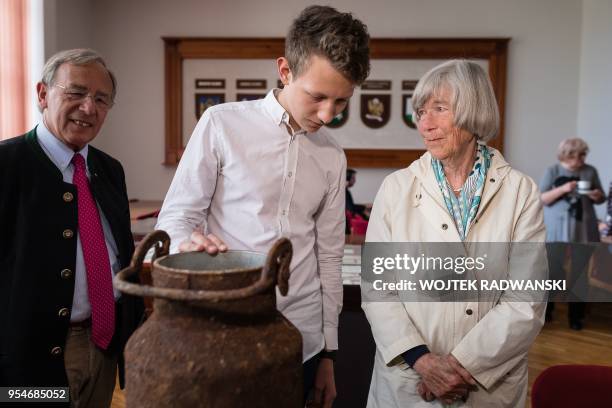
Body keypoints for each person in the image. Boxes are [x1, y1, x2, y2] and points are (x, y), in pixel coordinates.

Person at [155, 6, 370, 407]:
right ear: (285, 71)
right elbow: (177, 217)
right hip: (227, 331)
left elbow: (329, 256)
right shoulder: (221, 124)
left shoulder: (332, 155)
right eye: (318, 97)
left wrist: (329, 353)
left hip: (300, 343)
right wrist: (189, 242)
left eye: (341, 102)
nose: (328, 115)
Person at [362, 60, 546, 407]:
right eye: (420, 112)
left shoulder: (520, 191)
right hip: (410, 381)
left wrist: (459, 367)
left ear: (473, 110)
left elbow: (527, 299)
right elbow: (378, 288)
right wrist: (423, 361)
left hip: (486, 384)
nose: (425, 124)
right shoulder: (395, 188)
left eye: (439, 109)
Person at [0, 49, 144, 406]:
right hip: (28, 360)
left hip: (104, 348)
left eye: (101, 99)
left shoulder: (111, 169)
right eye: (76, 93)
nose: (89, 108)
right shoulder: (6, 166)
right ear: (42, 94)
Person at [540, 138, 605, 329]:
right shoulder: (552, 171)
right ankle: (547, 312)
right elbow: (542, 198)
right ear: (566, 155)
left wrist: (596, 195)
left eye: (583, 154)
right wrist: (564, 188)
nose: (580, 159)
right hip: (556, 231)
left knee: (579, 275)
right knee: (553, 273)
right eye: (576, 155)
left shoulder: (590, 171)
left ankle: (576, 318)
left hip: (584, 230)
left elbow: (601, 197)